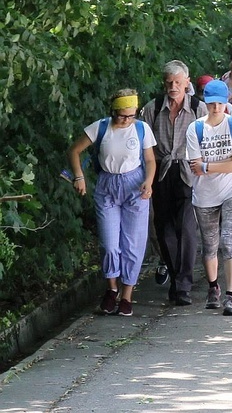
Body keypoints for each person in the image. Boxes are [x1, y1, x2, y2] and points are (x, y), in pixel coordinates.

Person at [68, 88, 157, 316]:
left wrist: (148, 181)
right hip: (107, 185)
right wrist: (79, 177)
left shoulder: (141, 128)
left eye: (131, 115)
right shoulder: (100, 127)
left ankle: (127, 295)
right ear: (113, 111)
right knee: (109, 244)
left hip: (134, 185)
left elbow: (149, 159)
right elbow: (75, 151)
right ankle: (111, 288)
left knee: (133, 244)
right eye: (122, 115)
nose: (126, 120)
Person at [141, 60, 208, 306]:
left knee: (187, 227)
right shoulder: (152, 108)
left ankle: (183, 285)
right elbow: (144, 145)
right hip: (161, 171)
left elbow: (208, 139)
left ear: (187, 83)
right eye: (169, 82)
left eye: (178, 82)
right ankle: (176, 277)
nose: (173, 87)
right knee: (164, 228)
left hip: (190, 171)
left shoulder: (199, 108)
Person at [186, 80, 232, 316]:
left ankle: (230, 296)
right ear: (205, 103)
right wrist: (210, 166)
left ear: (226, 103)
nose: (216, 108)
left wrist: (207, 166)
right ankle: (214, 286)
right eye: (211, 104)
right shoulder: (195, 129)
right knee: (210, 245)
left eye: (220, 104)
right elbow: (195, 167)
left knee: (228, 239)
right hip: (205, 194)